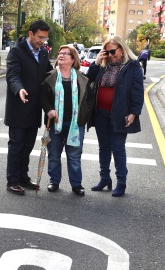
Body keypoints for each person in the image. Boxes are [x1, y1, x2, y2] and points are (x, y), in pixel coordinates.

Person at [86, 35, 144, 197]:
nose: (110, 55)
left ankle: (121, 182)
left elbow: (137, 92)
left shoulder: (132, 67)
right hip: (100, 114)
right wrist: (97, 62)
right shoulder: (103, 66)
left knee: (118, 148)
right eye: (107, 52)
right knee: (103, 147)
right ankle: (105, 178)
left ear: (122, 49)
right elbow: (88, 79)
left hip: (119, 115)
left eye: (113, 52)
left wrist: (134, 113)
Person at [5, 19, 53, 195]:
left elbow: (49, 75)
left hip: (34, 110)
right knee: (16, 145)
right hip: (19, 107)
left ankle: (23, 177)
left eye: (45, 38)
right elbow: (12, 76)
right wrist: (19, 90)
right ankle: (12, 180)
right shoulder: (16, 52)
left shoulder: (43, 54)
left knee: (28, 146)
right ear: (31, 34)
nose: (42, 41)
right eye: (40, 37)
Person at [41, 45, 92, 196]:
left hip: (75, 125)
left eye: (65, 53)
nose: (61, 55)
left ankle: (77, 185)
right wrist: (49, 109)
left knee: (74, 156)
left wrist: (84, 115)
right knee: (54, 155)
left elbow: (90, 100)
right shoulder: (49, 77)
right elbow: (42, 97)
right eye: (60, 53)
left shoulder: (82, 79)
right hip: (55, 124)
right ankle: (54, 181)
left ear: (73, 58)